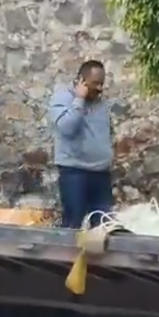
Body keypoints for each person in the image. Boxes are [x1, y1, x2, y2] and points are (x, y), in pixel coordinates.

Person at [48, 60, 114, 229]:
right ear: (81, 81)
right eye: (95, 84)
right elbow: (66, 128)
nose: (99, 88)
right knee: (73, 225)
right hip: (75, 173)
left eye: (102, 83)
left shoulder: (101, 103)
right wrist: (79, 100)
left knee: (103, 228)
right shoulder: (62, 98)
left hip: (101, 174)